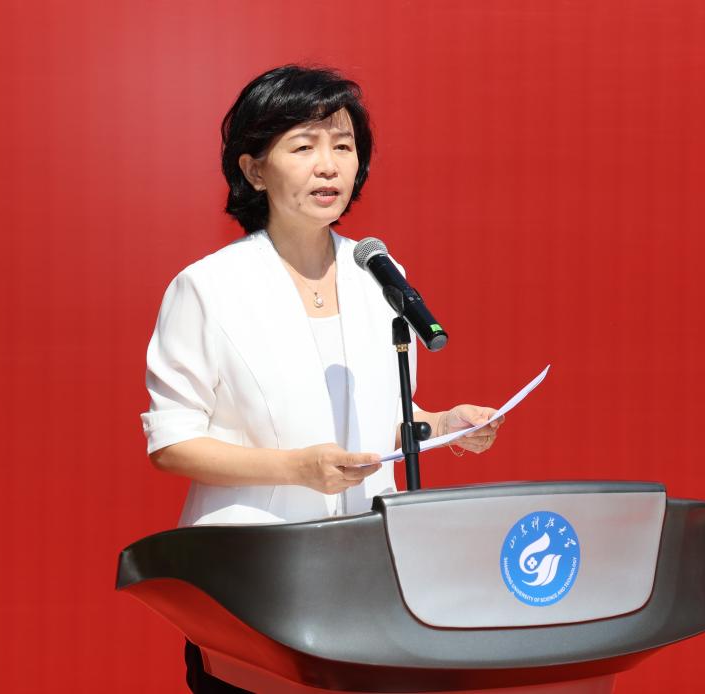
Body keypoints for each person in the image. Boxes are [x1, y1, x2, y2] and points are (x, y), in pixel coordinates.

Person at [140, 64, 504, 693]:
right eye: (304, 147)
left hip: (365, 580)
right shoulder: (209, 287)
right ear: (255, 170)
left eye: (343, 146)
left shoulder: (377, 276)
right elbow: (171, 444)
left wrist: (443, 424)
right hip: (252, 580)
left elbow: (381, 420)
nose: (329, 167)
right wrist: (296, 469)